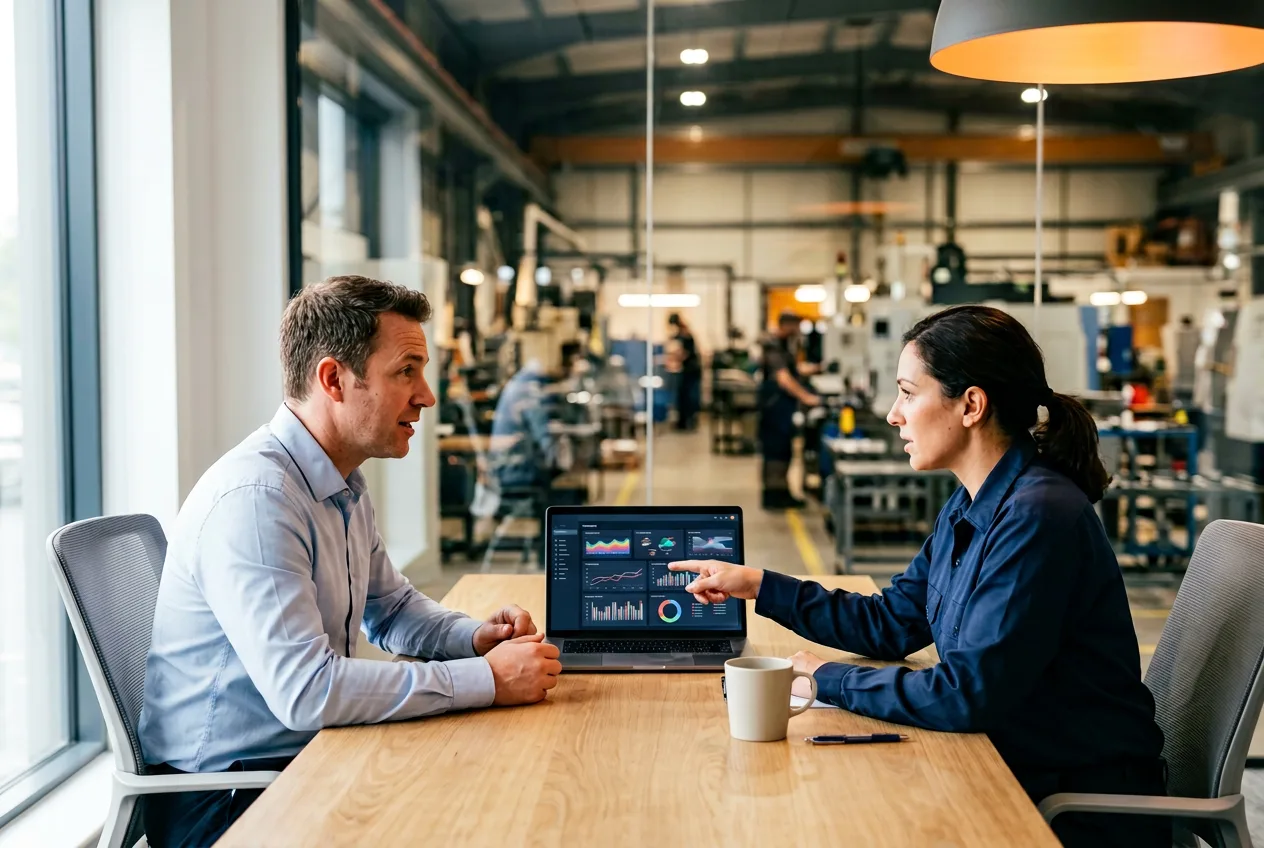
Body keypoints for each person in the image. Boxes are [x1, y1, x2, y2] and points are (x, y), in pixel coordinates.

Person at [672, 304, 1168, 848]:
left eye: (909, 393)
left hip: (1064, 800)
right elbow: (890, 622)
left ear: (971, 405)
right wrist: (758, 585)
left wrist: (824, 678)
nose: (893, 414)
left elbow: (966, 694)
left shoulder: (1036, 516)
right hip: (1009, 759)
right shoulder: (973, 502)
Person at [139, 276, 562, 847]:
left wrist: (474, 639)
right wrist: (485, 680)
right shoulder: (258, 499)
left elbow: (390, 610)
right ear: (334, 379)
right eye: (405, 371)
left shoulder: (339, 482)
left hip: (297, 758)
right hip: (229, 798)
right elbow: (307, 692)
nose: (427, 395)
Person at [758, 312, 821, 510]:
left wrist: (816, 368)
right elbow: (784, 379)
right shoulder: (773, 345)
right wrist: (807, 397)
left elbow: (793, 370)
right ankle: (774, 495)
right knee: (776, 451)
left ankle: (782, 491)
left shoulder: (785, 344)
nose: (797, 330)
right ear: (786, 325)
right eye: (794, 325)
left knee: (784, 451)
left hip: (782, 407)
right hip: (774, 407)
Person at [667, 312, 702, 431]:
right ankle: (684, 421)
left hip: (691, 370)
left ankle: (688, 421)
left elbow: (685, 353)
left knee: (689, 397)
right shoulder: (681, 335)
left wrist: (675, 358)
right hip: (687, 369)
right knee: (683, 396)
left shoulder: (685, 336)